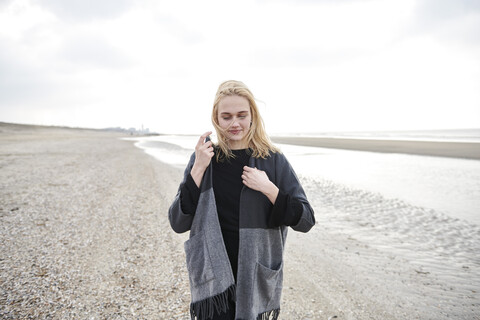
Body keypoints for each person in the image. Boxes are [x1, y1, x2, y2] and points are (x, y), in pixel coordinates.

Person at [168, 80, 315, 320]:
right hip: (213, 277)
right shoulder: (205, 160)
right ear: (216, 119)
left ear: (252, 116)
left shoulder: (273, 160)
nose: (234, 123)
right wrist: (198, 169)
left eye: (241, 115)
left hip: (255, 276)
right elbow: (177, 222)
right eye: (226, 117)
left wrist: (269, 189)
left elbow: (306, 220)